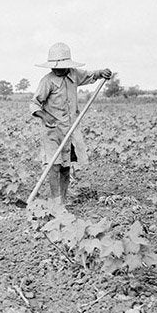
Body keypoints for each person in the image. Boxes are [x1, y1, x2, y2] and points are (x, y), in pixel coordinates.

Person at [31, 42, 113, 214]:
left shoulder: (74, 75)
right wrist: (44, 116)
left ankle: (63, 201)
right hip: (52, 130)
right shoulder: (47, 81)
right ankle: (55, 202)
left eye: (62, 67)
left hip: (70, 130)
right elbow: (34, 103)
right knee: (54, 166)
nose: (58, 70)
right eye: (55, 67)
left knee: (66, 167)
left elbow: (91, 75)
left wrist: (101, 73)